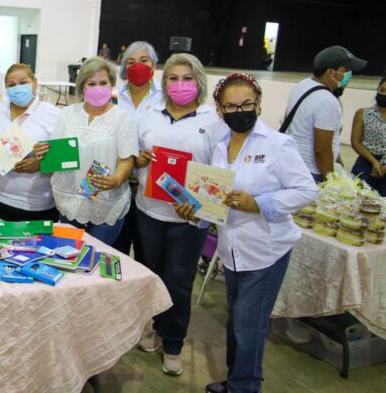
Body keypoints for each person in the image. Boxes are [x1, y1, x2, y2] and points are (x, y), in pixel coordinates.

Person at [174, 73, 317, 393]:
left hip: (266, 250)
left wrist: (259, 204)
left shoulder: (278, 145)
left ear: (259, 103)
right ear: (219, 109)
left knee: (248, 325)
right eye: (231, 106)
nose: (240, 111)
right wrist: (195, 211)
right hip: (232, 250)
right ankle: (237, 380)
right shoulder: (220, 146)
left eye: (247, 104)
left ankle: (245, 387)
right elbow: (216, 198)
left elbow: (307, 191)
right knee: (236, 322)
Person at [134, 53, 218, 376]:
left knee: (179, 282)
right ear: (164, 81)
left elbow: (218, 172)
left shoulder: (213, 120)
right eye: (173, 78)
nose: (180, 84)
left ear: (199, 82)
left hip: (189, 218)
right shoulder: (149, 115)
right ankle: (155, 327)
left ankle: (173, 343)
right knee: (153, 276)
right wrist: (140, 160)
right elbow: (135, 157)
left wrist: (199, 206)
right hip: (149, 211)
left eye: (187, 78)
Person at [34, 57, 137, 245]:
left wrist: (117, 179)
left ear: (112, 85)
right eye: (92, 83)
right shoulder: (68, 113)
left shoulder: (123, 118)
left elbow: (126, 159)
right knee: (68, 253)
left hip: (106, 203)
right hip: (69, 200)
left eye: (103, 83)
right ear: (82, 87)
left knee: (95, 256)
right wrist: (42, 152)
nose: (98, 88)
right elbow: (55, 155)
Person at [0, 63, 60, 221]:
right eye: (12, 85)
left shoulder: (53, 114)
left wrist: (39, 164)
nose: (18, 88)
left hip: (37, 206)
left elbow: (67, 156)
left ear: (35, 83)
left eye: (23, 82)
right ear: (5, 88)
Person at [283, 45, 367, 183]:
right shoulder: (328, 101)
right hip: (312, 173)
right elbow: (321, 151)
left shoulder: (302, 85)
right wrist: (333, 182)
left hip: (291, 164)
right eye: (346, 70)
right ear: (331, 72)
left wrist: (339, 164)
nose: (349, 75)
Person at [112, 40, 162, 260]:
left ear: (154, 66)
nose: (137, 66)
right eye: (131, 62)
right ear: (124, 68)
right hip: (118, 184)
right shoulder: (113, 98)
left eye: (143, 60)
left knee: (146, 253)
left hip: (150, 186)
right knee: (117, 250)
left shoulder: (165, 98)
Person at [350, 77, 386, 195]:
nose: (383, 94)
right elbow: (355, 142)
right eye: (382, 90)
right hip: (365, 163)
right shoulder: (362, 113)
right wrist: (374, 162)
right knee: (358, 197)